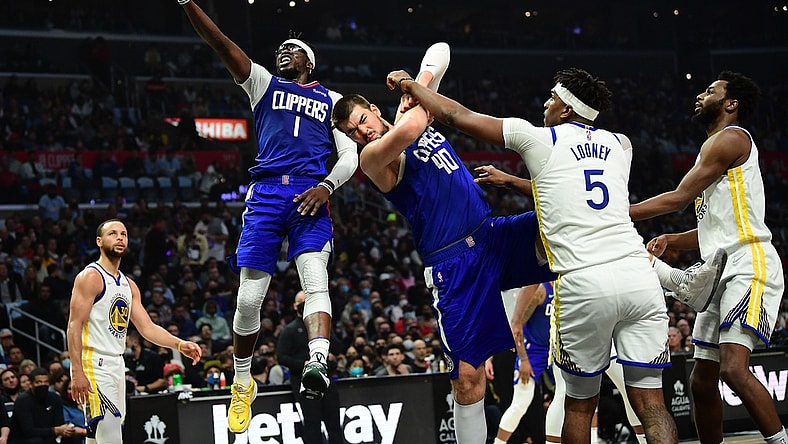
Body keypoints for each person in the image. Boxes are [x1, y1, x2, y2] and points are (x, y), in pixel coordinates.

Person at [387, 67, 677, 443]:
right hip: (638, 277)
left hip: (585, 279)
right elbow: (575, 193)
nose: (546, 103)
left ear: (568, 110)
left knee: (577, 405)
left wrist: (412, 85)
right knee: (652, 404)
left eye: (553, 98)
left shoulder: (539, 138)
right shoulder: (622, 144)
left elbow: (458, 116)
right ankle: (678, 281)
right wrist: (512, 182)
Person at [331, 43, 555, 443]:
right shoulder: (374, 158)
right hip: (454, 263)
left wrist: (417, 88)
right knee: (469, 379)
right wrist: (414, 85)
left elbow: (443, 49)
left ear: (373, 110)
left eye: (362, 120)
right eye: (352, 132)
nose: (362, 131)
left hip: (491, 235)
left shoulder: (408, 112)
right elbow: (416, 123)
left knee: (560, 224)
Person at [178, 1, 358, 433]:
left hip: (311, 193)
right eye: (280, 47)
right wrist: (188, 3)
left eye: (291, 48)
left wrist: (327, 186)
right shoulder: (262, 82)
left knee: (316, 277)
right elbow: (221, 43)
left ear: (309, 61)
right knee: (247, 300)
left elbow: (351, 154)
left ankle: (318, 360)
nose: (283, 51)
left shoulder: (332, 101)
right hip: (267, 194)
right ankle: (243, 381)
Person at [629, 71, 787, 443]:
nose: (701, 95)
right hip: (720, 269)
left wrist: (619, 213)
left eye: (710, 91)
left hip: (749, 263)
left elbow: (678, 198)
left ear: (730, 104)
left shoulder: (731, 139)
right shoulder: (713, 149)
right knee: (701, 380)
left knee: (733, 369)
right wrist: (671, 238)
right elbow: (713, 231)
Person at [67, 219, 201, 443]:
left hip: (117, 365)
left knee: (98, 438)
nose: (120, 238)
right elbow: (74, 325)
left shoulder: (129, 285)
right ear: (99, 241)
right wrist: (77, 372)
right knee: (111, 437)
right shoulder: (91, 277)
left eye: (124, 234)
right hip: (94, 365)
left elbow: (147, 328)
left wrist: (180, 344)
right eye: (113, 234)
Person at [276, 291, 343, 444]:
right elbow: (282, 357)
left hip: (325, 376)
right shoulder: (290, 329)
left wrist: (326, 327)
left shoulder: (322, 326)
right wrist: (303, 364)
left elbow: (338, 347)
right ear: (295, 306)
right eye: (302, 302)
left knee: (333, 421)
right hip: (303, 379)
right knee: (313, 422)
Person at [9, 367, 73, 444]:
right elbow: (28, 431)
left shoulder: (55, 398)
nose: (42, 385)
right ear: (31, 384)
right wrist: (54, 430)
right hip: (24, 439)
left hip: (49, 436)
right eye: (38, 382)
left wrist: (64, 430)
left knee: (73, 438)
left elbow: (59, 423)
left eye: (45, 382)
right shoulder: (23, 400)